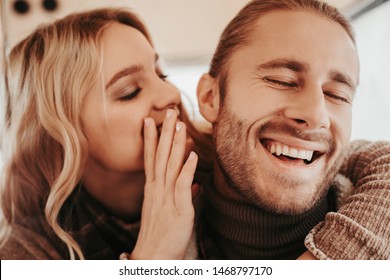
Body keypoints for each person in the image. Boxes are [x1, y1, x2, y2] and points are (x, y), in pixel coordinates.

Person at [0, 8, 205, 260]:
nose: (171, 95)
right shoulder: (24, 253)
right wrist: (153, 257)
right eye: (130, 91)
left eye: (161, 75)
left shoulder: (224, 185)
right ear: (61, 136)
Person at [194, 0, 390, 259]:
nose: (316, 114)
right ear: (210, 97)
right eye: (281, 81)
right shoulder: (142, 242)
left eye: (337, 95)